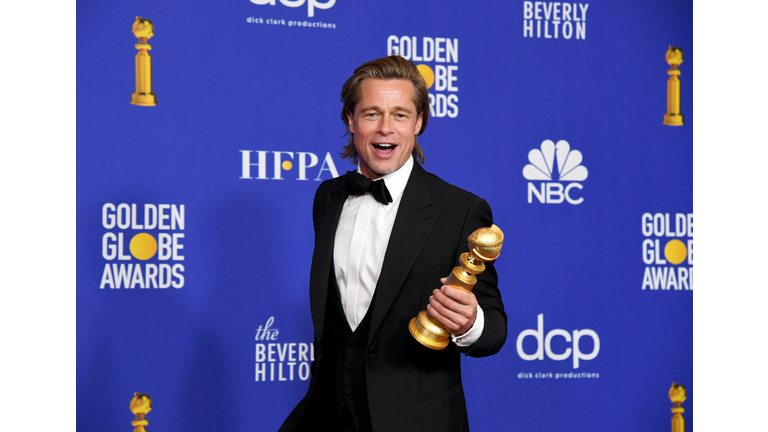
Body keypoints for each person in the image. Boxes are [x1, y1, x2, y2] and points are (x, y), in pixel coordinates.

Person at [279, 55, 507, 432]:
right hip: (327, 416)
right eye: (371, 114)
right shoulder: (329, 198)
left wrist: (470, 322)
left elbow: (494, 330)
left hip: (416, 421)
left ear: (418, 123)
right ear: (351, 120)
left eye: (400, 115)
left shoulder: (461, 210)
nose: (386, 129)